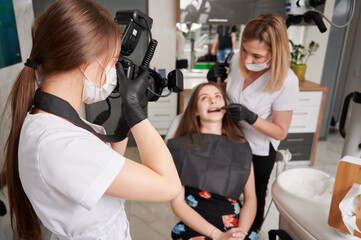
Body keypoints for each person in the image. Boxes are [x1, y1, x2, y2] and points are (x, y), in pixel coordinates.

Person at [1, 0, 181, 239]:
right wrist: (137, 113)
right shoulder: (60, 144)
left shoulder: (53, 120)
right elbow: (168, 185)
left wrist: (126, 119)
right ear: (85, 62)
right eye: (113, 61)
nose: (114, 71)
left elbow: (108, 168)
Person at [207, 13, 299, 238]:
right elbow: (230, 93)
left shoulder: (287, 81)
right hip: (229, 140)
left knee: (253, 196)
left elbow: (281, 130)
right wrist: (215, 81)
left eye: (257, 56)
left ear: (274, 53)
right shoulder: (238, 58)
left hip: (258, 150)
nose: (247, 60)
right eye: (245, 51)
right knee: (225, 194)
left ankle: (251, 233)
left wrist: (251, 117)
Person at [168, 82, 257, 240]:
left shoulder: (241, 146)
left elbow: (250, 197)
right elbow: (178, 204)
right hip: (197, 223)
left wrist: (239, 233)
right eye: (204, 98)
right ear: (195, 110)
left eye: (217, 97)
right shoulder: (180, 147)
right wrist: (218, 235)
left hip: (235, 224)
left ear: (225, 105)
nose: (213, 101)